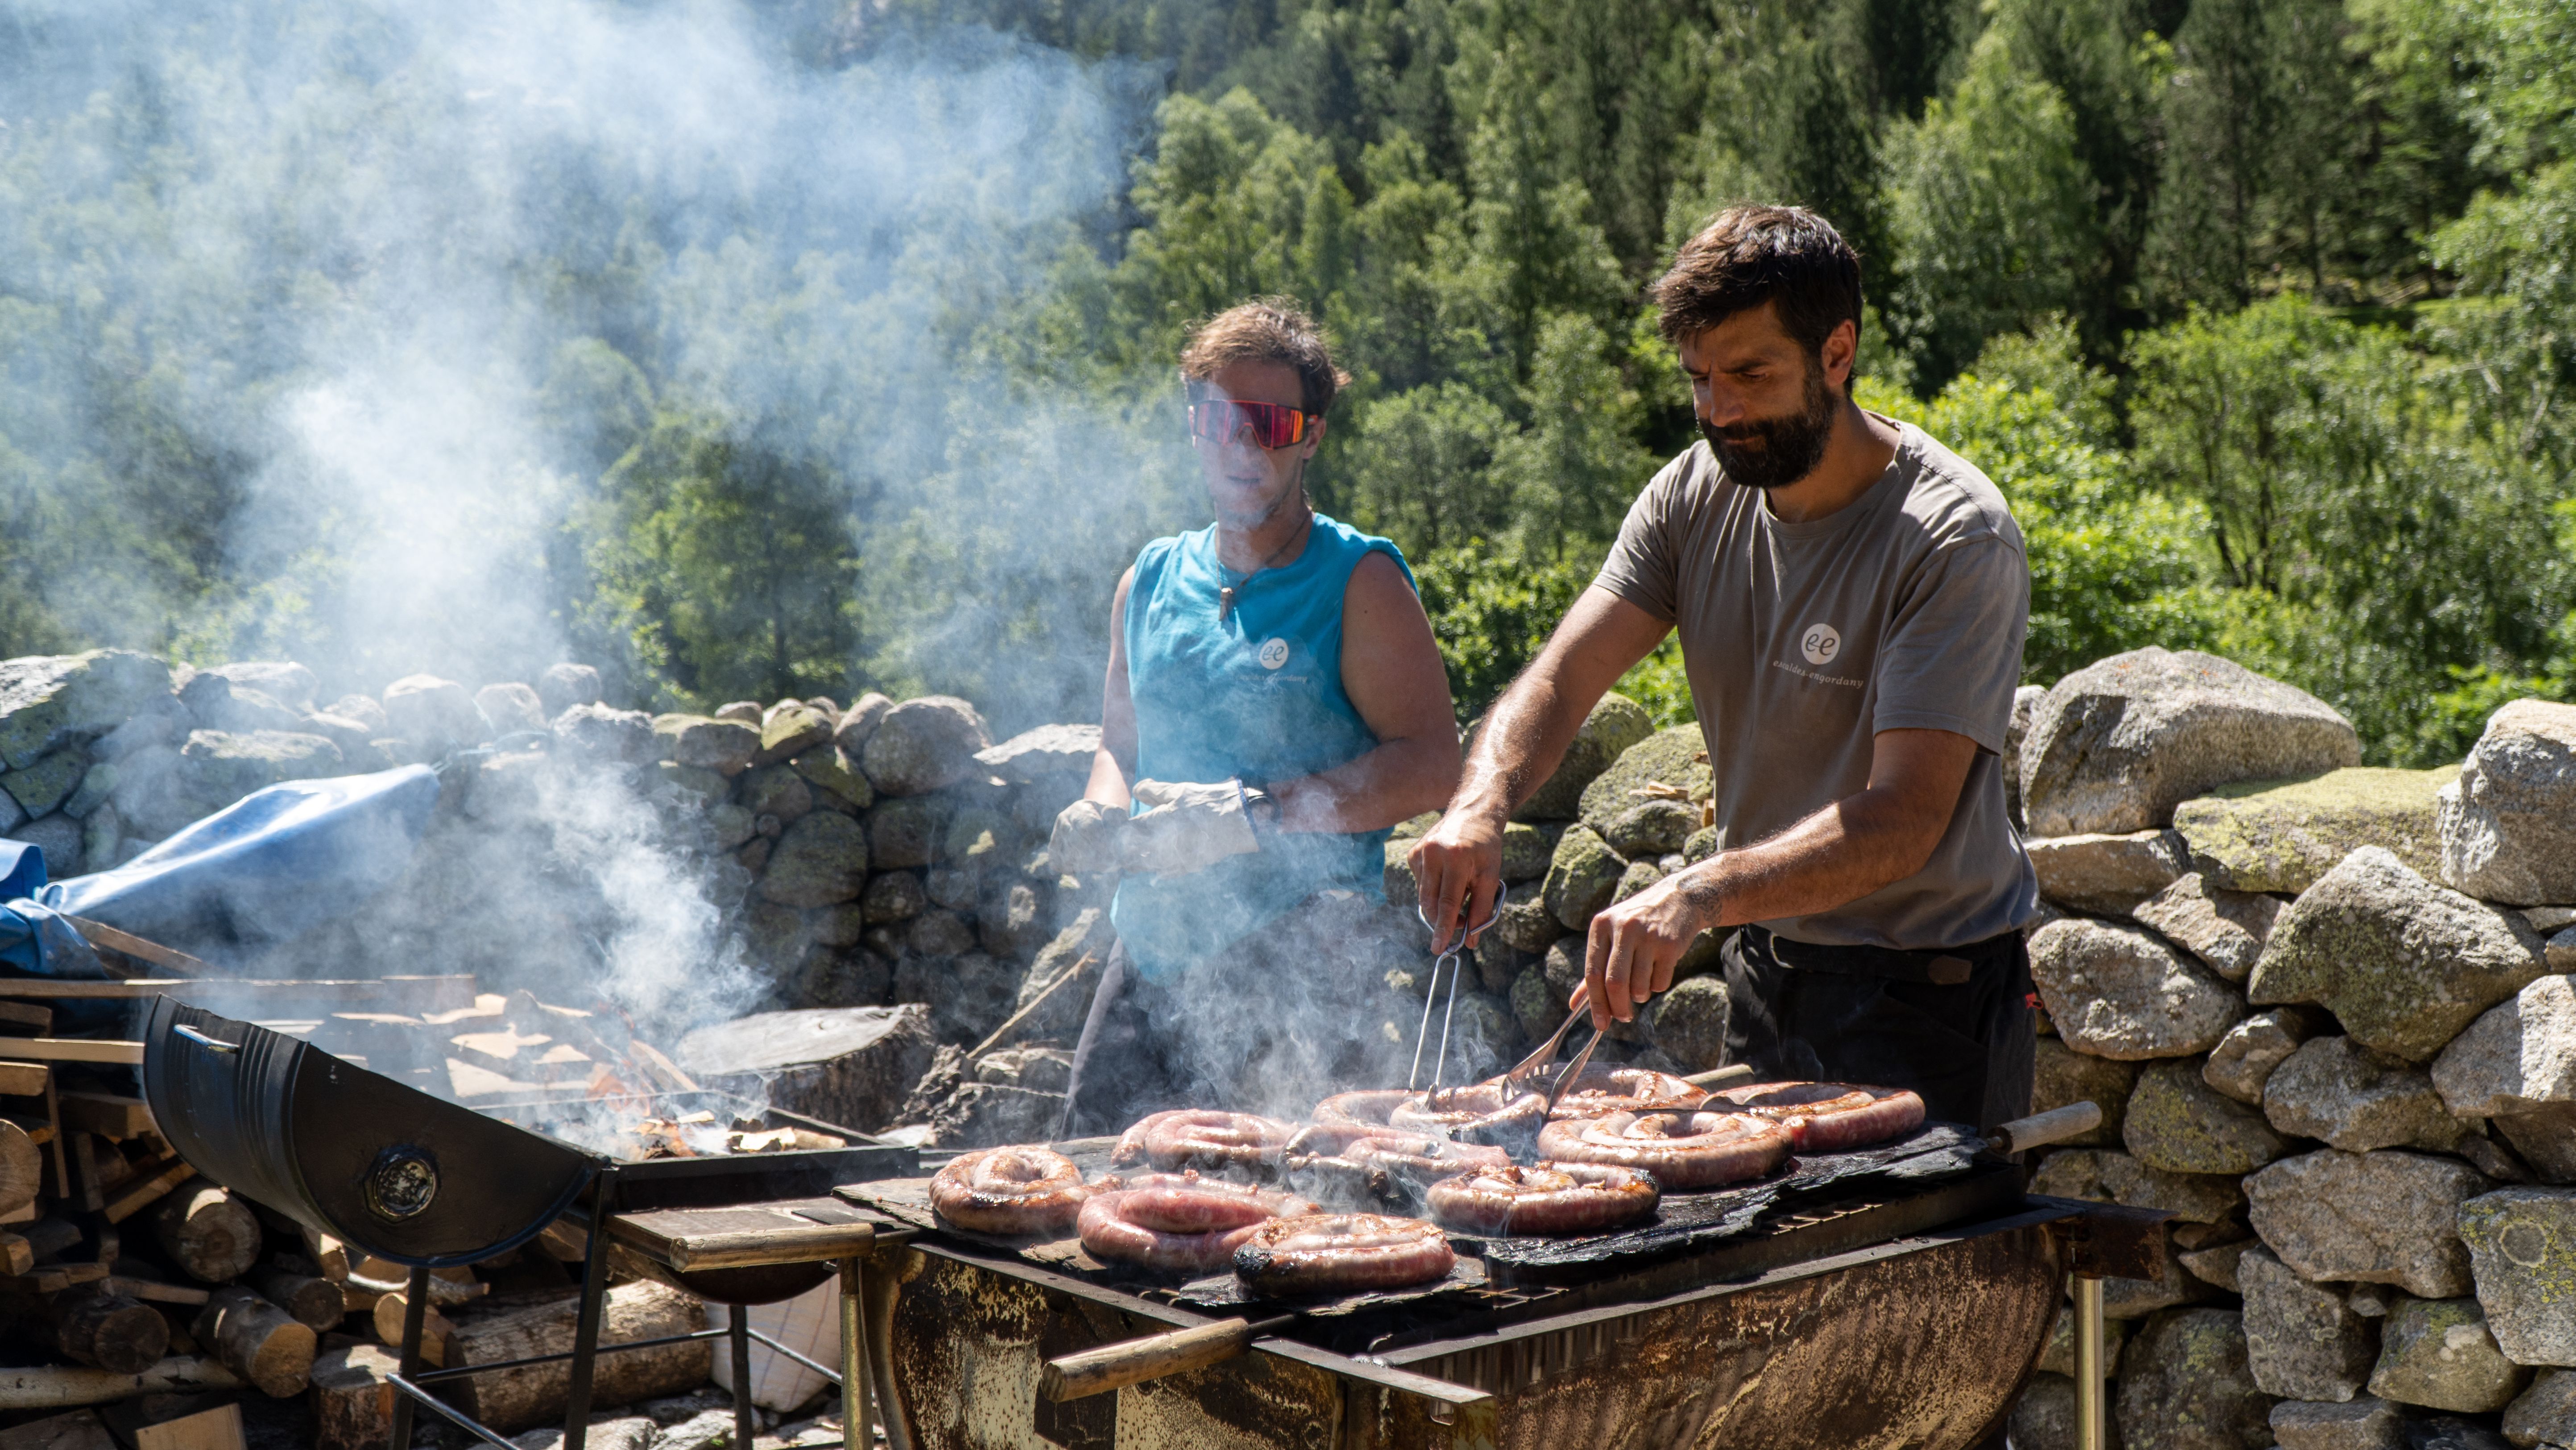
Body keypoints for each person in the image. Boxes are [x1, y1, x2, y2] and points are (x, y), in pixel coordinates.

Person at [1407, 205, 2041, 1131]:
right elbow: (1563, 675)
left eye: (1750, 374)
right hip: (1769, 970)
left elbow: (1904, 818)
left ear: (1837, 352)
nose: (1721, 410)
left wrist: (1699, 889)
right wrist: (1479, 805)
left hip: (1933, 996)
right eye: (1699, 379)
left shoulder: (1952, 537)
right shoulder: (1692, 492)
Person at [1052, 299, 1463, 1131]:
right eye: (1218, 417)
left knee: (1293, 1225)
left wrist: (1257, 814)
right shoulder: (1150, 579)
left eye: (1270, 423)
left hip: (1302, 958)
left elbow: (1429, 765)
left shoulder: (1358, 580)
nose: (1241, 443)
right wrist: (1098, 808)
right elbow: (1119, 748)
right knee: (1099, 1199)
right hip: (1150, 954)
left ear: (1311, 435)